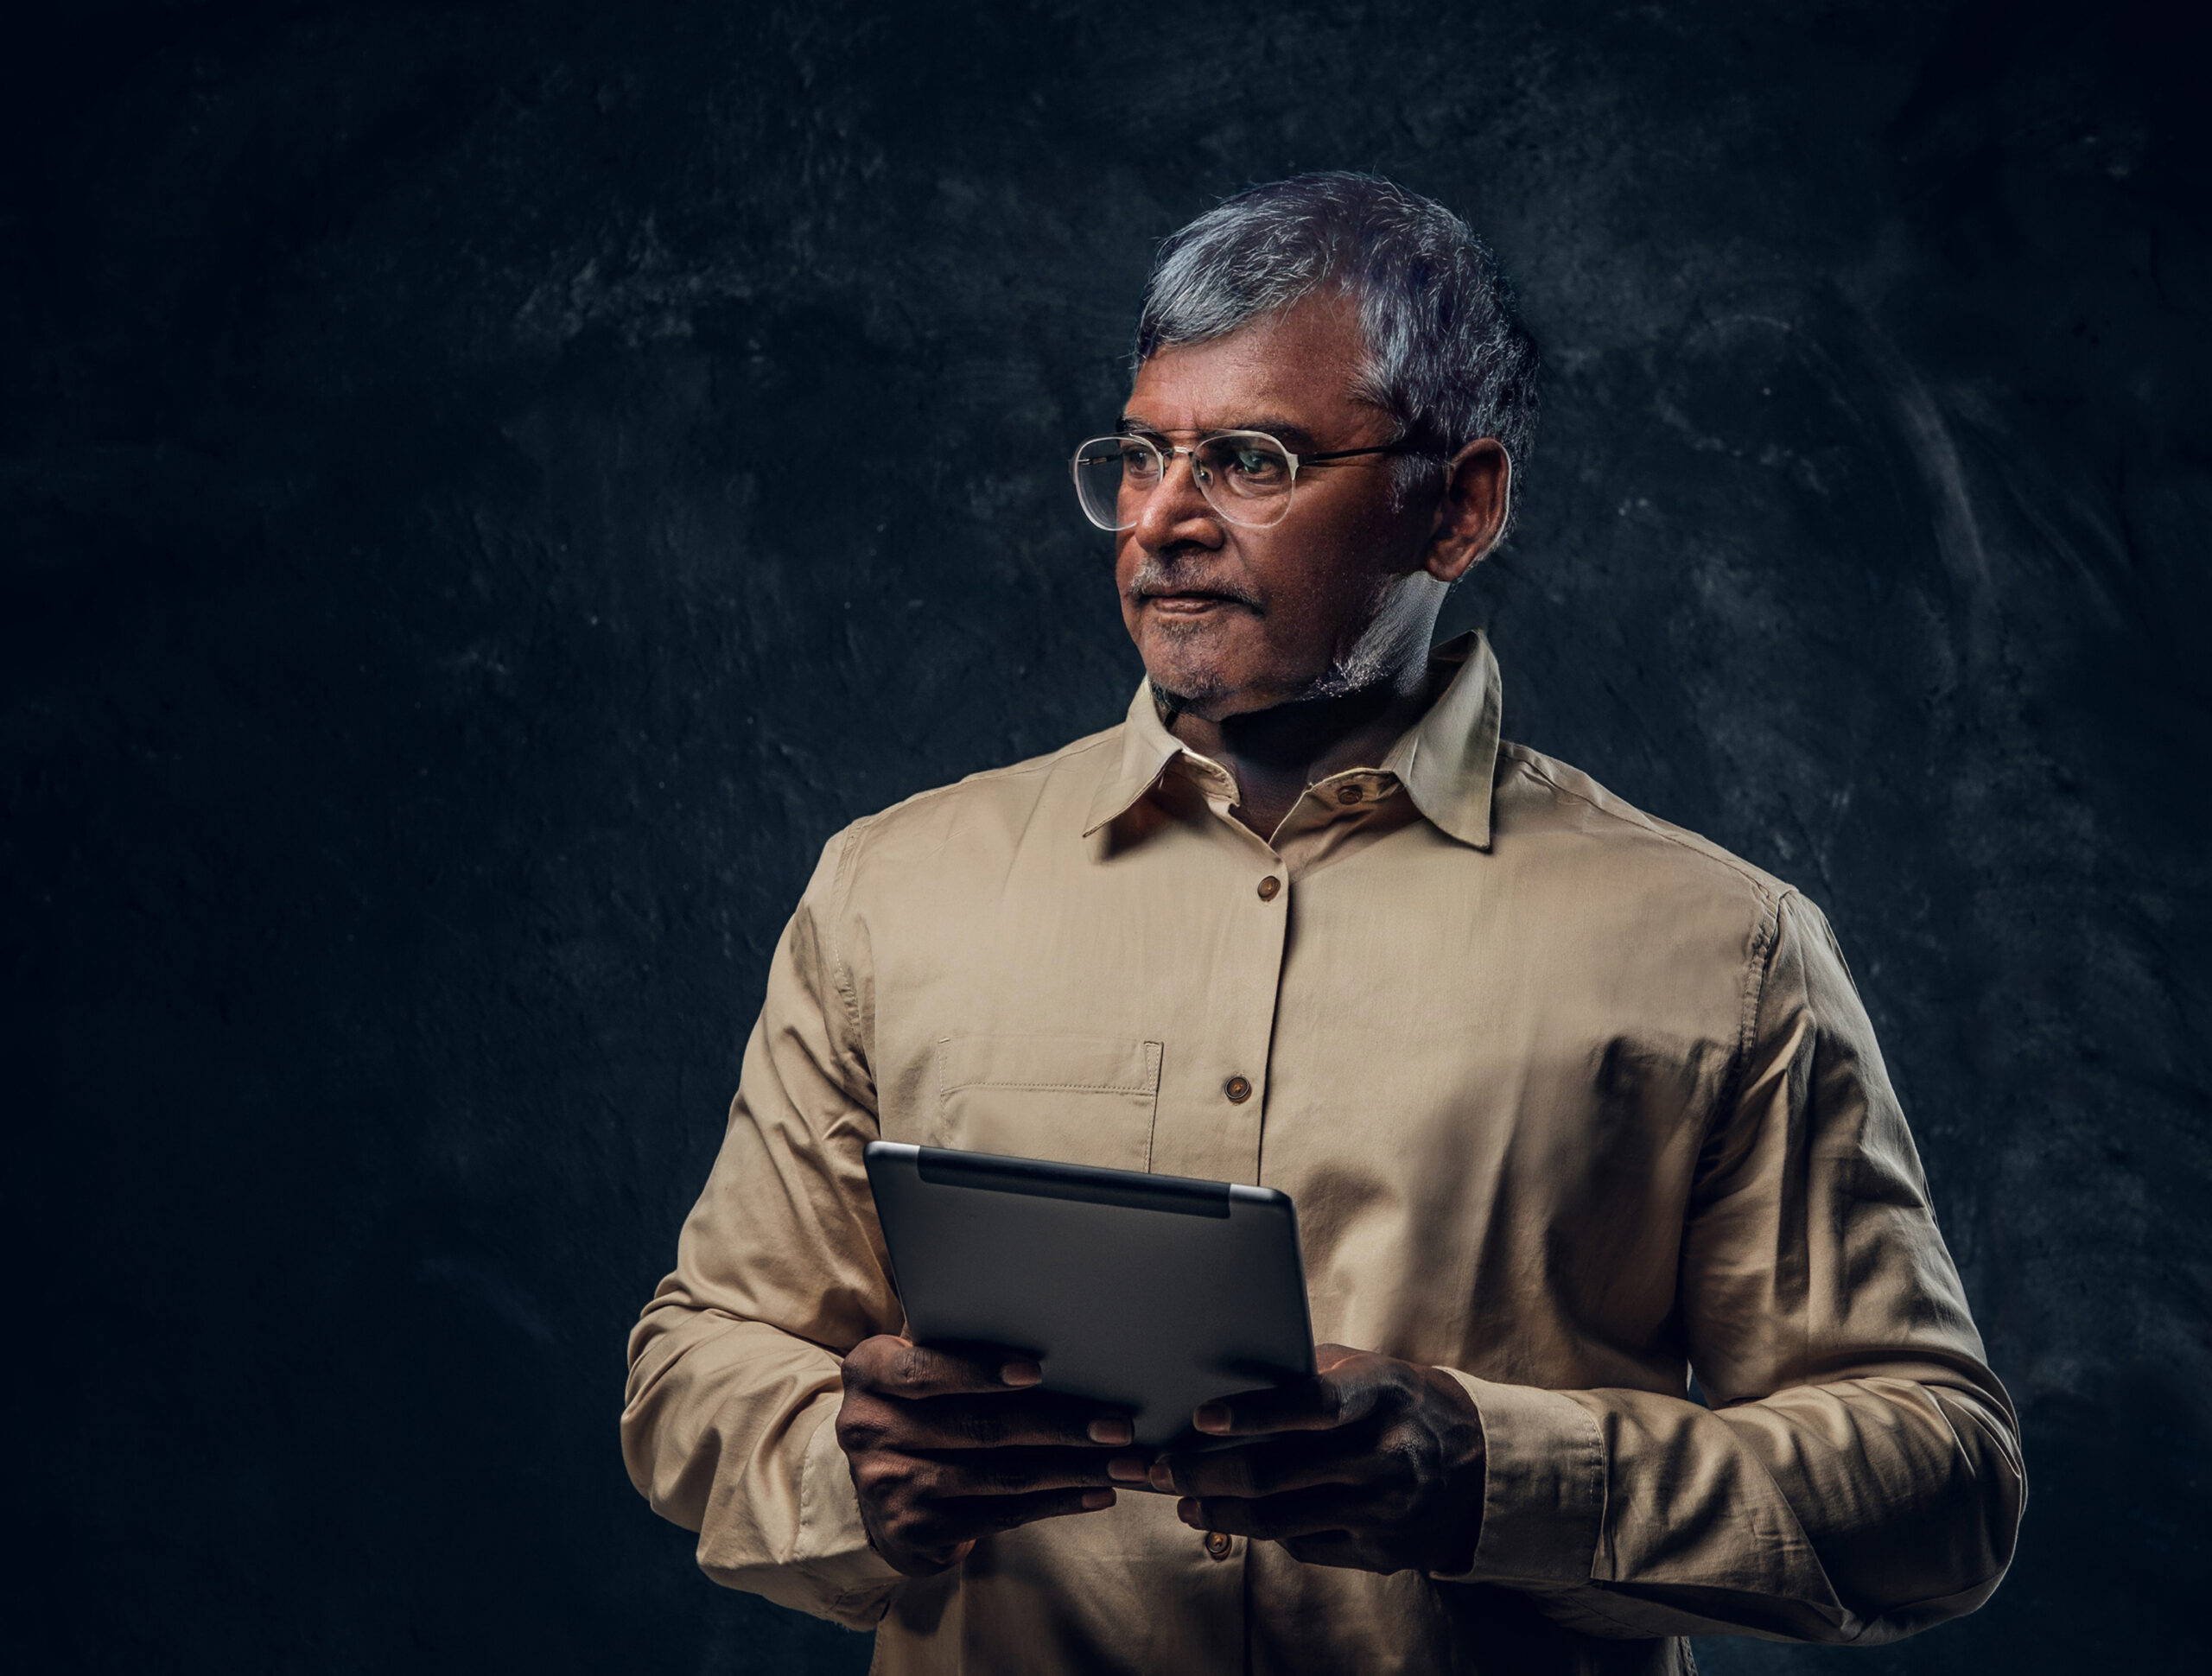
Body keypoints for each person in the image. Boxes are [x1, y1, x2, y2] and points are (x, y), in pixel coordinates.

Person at [621, 173, 2024, 1675]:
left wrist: (1492, 1478)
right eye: (1142, 456)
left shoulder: (1723, 951)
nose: (1164, 521)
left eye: (1251, 459)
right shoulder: (891, 889)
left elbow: (1939, 1485)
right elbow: (694, 1363)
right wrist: (844, 1462)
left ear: (1459, 507)